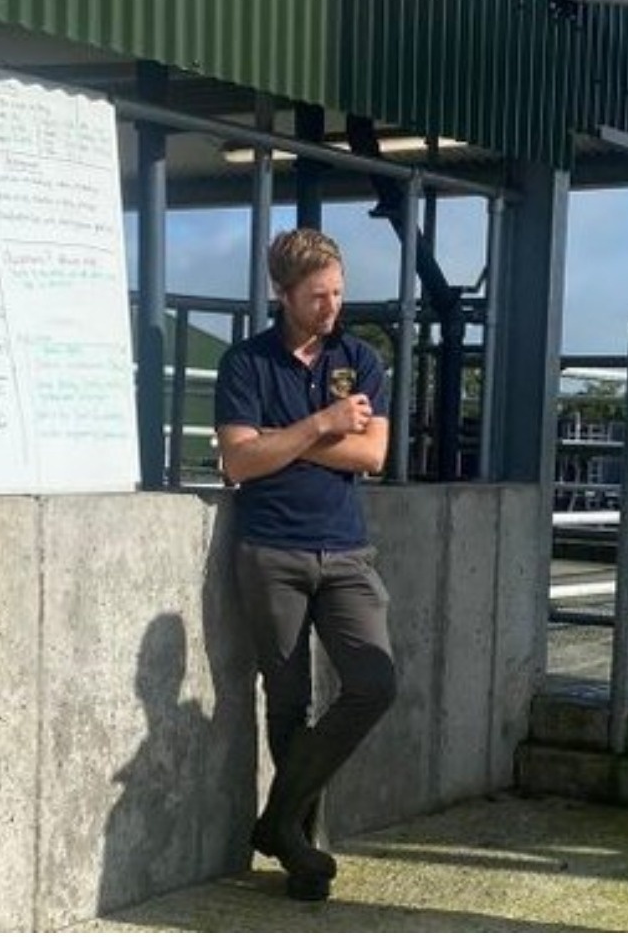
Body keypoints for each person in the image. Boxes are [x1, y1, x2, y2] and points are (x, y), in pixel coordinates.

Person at [211, 227, 397, 902]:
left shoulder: (360, 358)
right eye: (317, 296)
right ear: (282, 293)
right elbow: (238, 462)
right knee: (287, 701)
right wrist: (321, 425)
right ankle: (301, 855)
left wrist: (281, 441)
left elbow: (373, 457)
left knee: (373, 683)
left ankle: (276, 818)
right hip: (271, 550)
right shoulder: (246, 364)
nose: (331, 308)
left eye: (338, 293)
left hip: (346, 550)